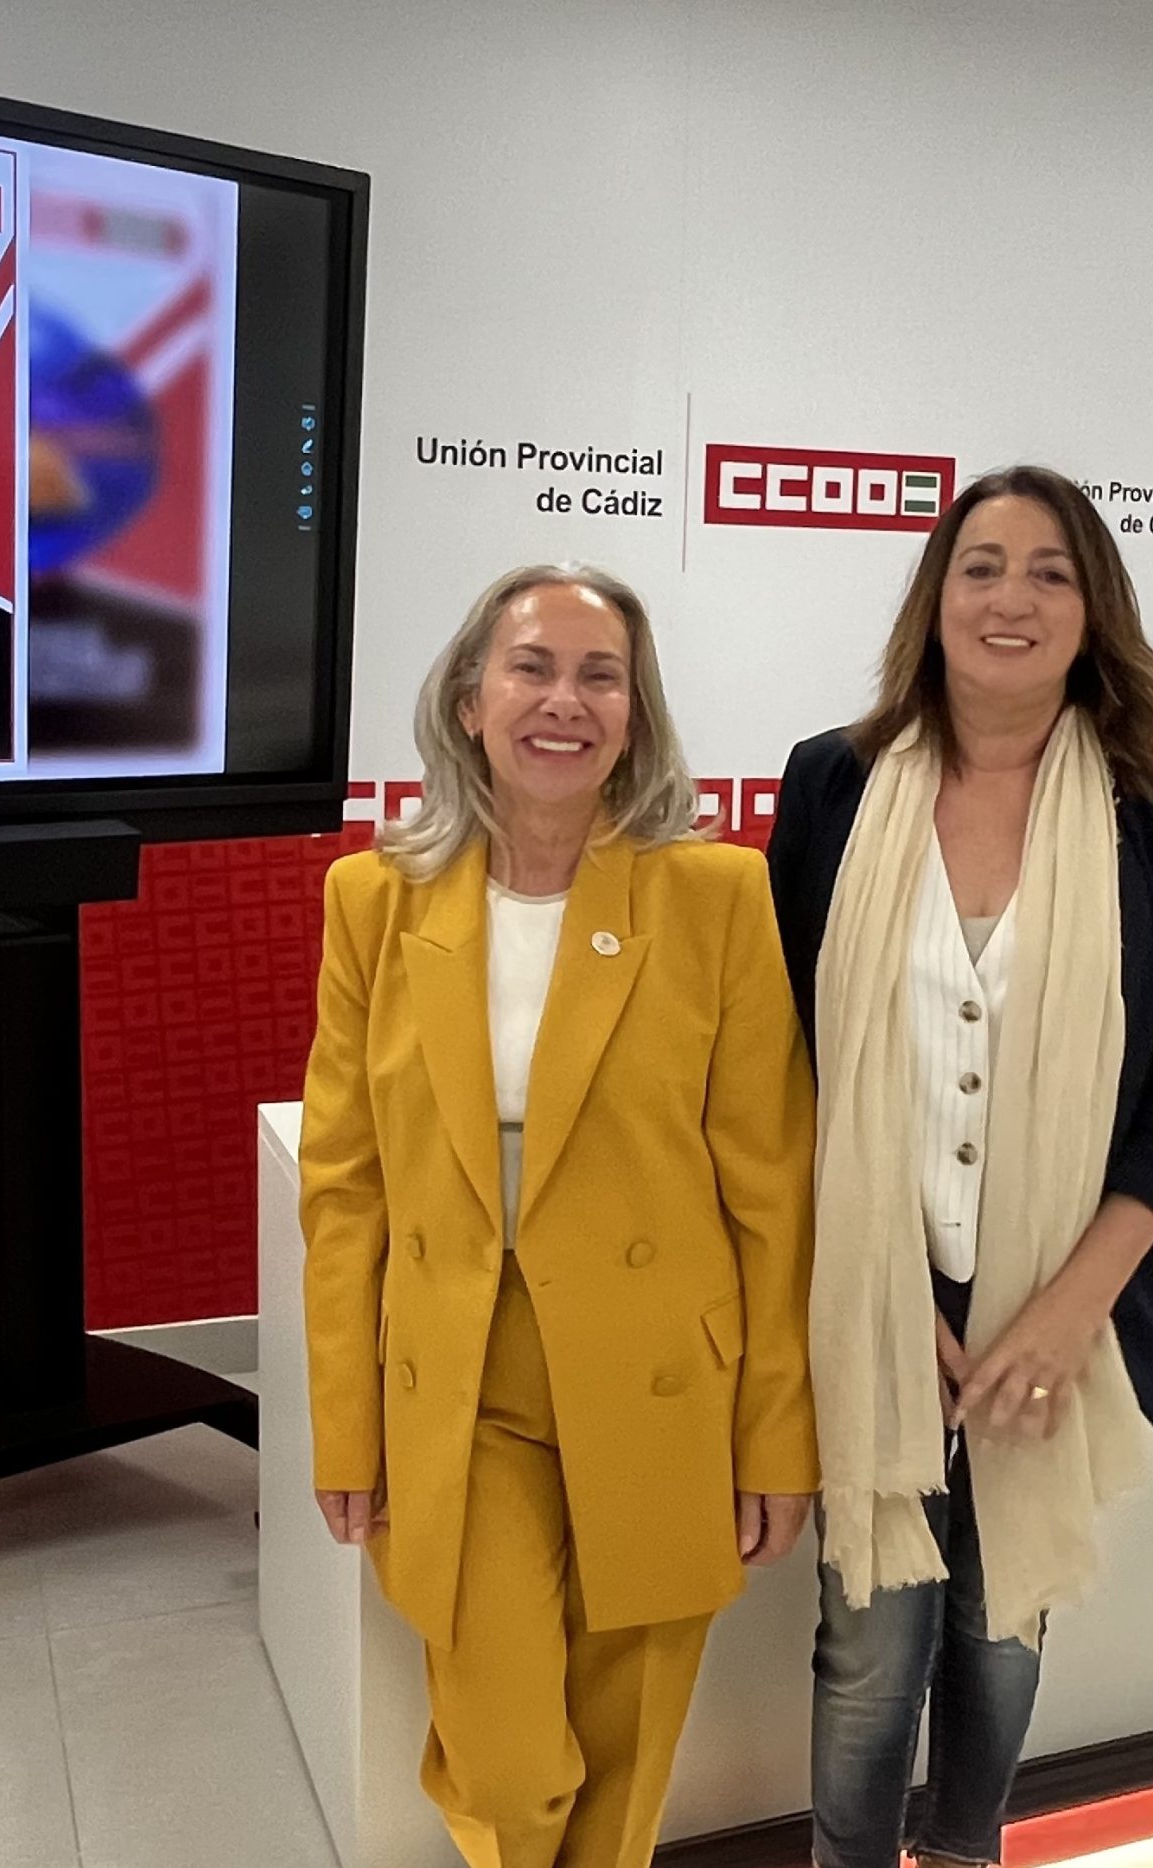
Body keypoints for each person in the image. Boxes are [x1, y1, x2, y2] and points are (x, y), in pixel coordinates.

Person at [764, 467, 1153, 1868]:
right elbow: (774, 1064)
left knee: (1002, 1629)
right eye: (981, 566)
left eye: (1051, 571)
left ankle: (968, 1851)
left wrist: (1068, 1308)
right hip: (877, 1300)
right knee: (869, 1648)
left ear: (1094, 610)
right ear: (937, 597)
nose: (1012, 598)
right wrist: (877, 1288)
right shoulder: (834, 783)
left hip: (1065, 1300)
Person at [301, 563, 819, 1868]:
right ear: (468, 699)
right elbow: (346, 1182)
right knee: (513, 1764)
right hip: (463, 1380)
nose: (564, 701)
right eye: (531, 667)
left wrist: (778, 1436)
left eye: (602, 677)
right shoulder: (375, 900)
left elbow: (773, 1189)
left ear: (635, 716)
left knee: (626, 1760)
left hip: (661, 1377)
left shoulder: (715, 896)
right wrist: (343, 1422)